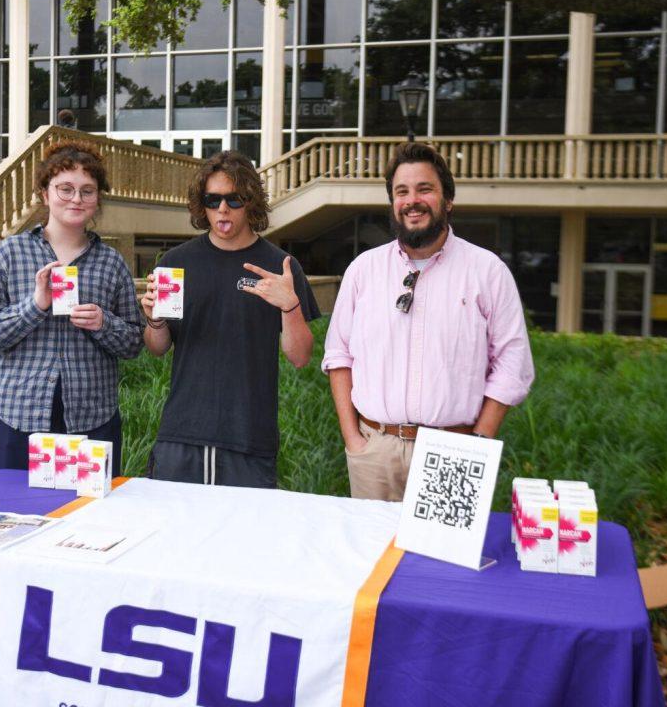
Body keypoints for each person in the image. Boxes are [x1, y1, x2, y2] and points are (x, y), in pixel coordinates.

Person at [322, 142, 535, 502]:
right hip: (375, 452)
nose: (412, 201)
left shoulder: (487, 271)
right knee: (375, 556)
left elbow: (514, 365)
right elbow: (338, 355)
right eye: (401, 192)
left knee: (442, 558)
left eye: (425, 189)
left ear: (447, 199)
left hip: (455, 450)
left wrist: (478, 443)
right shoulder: (363, 270)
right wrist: (353, 439)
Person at [139, 150, 320, 488]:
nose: (222, 209)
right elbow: (158, 348)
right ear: (201, 205)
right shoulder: (175, 264)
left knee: (246, 540)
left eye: (234, 199)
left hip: (249, 438)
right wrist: (155, 321)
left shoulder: (280, 266)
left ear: (250, 201)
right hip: (182, 434)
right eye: (213, 199)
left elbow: (300, 357)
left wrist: (290, 306)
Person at [0, 140, 144, 473]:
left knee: (87, 515)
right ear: (45, 194)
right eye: (65, 189)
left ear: (97, 199)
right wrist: (33, 306)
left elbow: (135, 342)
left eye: (87, 191)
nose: (76, 199)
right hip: (16, 416)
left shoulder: (111, 263)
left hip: (91, 418)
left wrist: (103, 323)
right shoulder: (8, 254)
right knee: (13, 515)